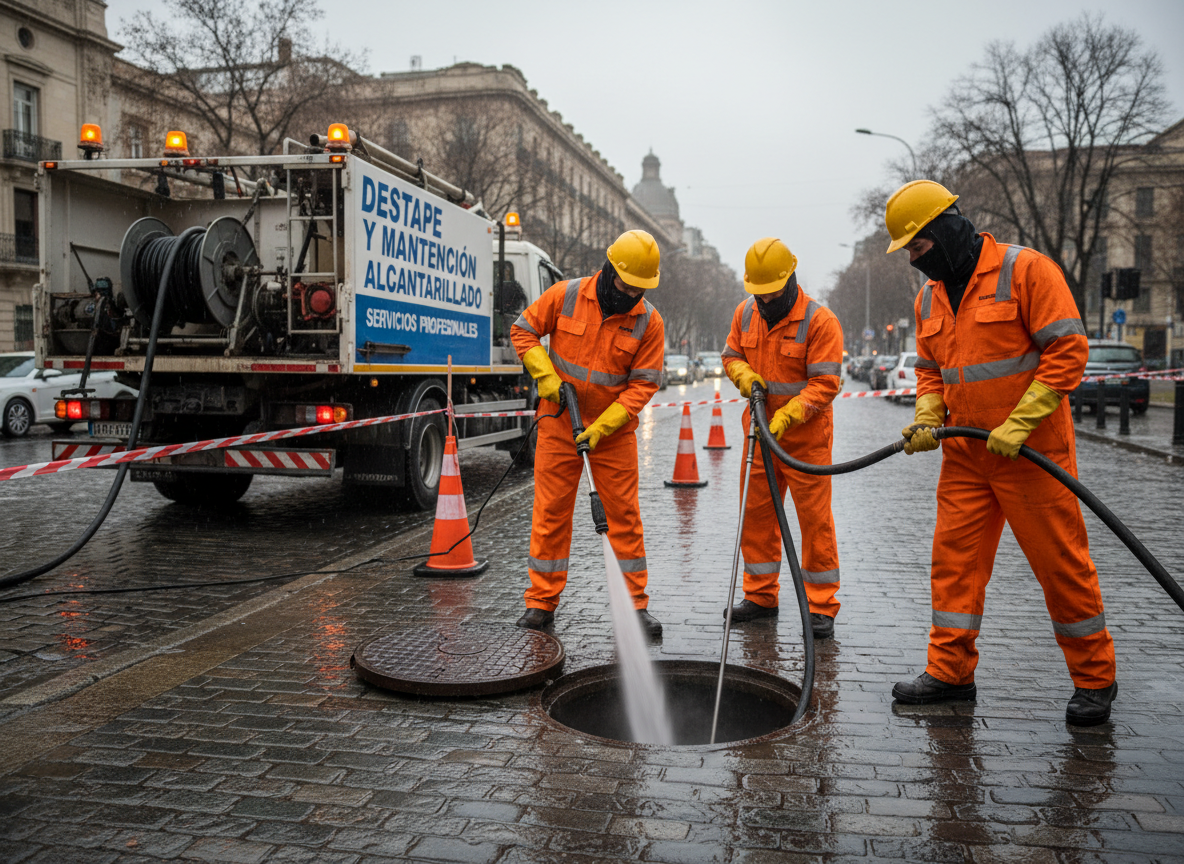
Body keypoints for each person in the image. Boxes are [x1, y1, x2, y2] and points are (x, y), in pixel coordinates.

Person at [887, 179, 1117, 726]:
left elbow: (1067, 351)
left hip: (1031, 452)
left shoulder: (1027, 271)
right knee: (954, 567)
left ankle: (1094, 679)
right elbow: (929, 370)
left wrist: (1021, 422)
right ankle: (949, 672)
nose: (917, 263)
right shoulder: (930, 296)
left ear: (944, 229)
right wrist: (927, 415)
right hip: (966, 455)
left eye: (918, 249)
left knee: (1060, 566)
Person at [510, 229, 666, 637]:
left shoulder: (649, 321)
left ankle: (635, 606)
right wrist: (544, 375)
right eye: (625, 285)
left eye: (639, 289)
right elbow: (523, 330)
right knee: (550, 514)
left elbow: (644, 384)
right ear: (610, 268)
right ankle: (541, 603)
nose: (631, 294)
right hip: (559, 423)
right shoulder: (566, 295)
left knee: (624, 519)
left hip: (611, 434)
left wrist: (605, 426)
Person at [721, 238, 844, 639]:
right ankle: (760, 596)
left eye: (771, 293)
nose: (765, 301)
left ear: (789, 279)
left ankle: (821, 605)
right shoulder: (745, 313)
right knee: (756, 516)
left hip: (805, 439)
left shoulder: (820, 321)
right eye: (758, 294)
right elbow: (731, 356)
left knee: (814, 522)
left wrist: (792, 412)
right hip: (759, 434)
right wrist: (743, 375)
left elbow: (825, 382)